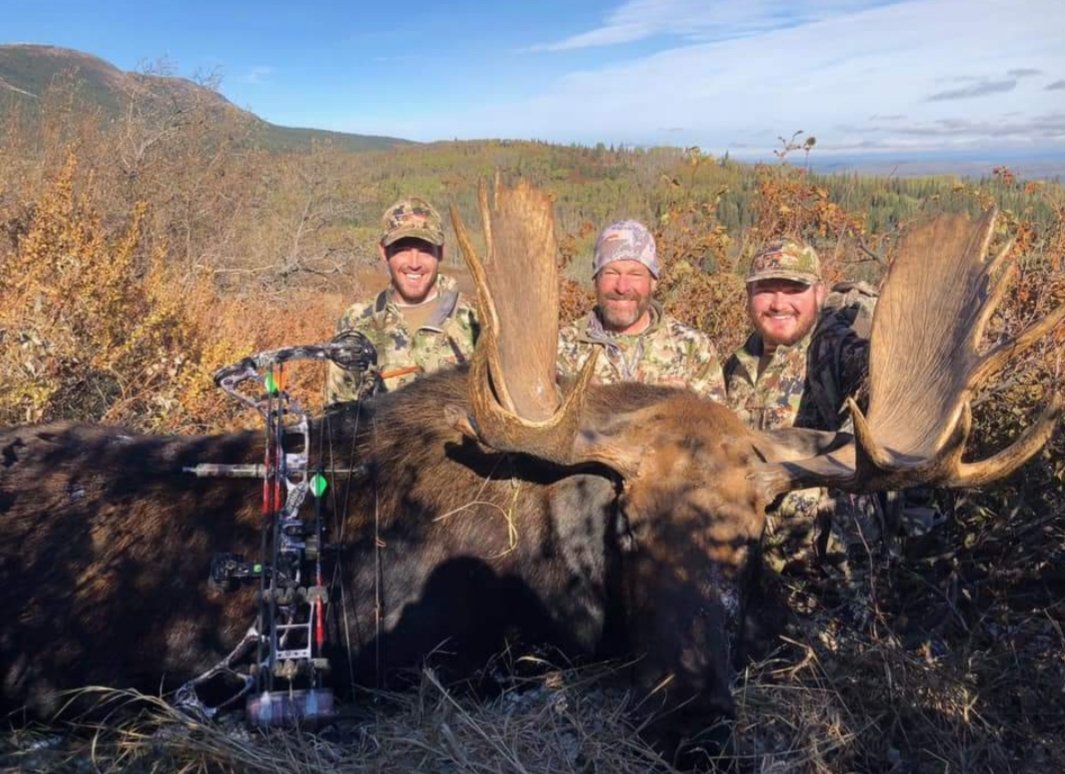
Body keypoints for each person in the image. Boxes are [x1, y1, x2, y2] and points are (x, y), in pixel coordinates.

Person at [725, 239, 887, 613]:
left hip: (827, 567)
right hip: (754, 549)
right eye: (766, 289)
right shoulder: (736, 365)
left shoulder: (832, 345)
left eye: (794, 289)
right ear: (749, 294)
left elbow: (868, 371)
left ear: (819, 293)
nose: (779, 303)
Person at [325, 197, 479, 405]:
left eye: (424, 249)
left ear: (441, 252)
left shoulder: (474, 319)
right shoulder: (357, 321)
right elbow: (338, 409)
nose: (414, 263)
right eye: (402, 249)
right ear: (383, 252)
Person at [556, 220, 726, 401]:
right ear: (595, 279)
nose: (622, 287)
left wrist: (685, 403)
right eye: (611, 273)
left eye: (635, 274)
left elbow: (717, 425)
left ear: (653, 281)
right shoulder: (562, 348)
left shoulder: (694, 348)